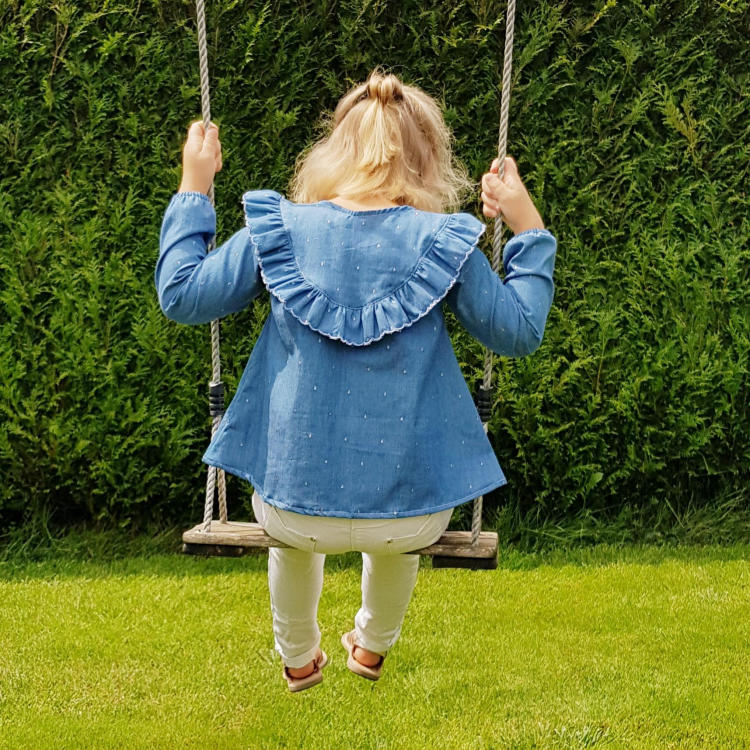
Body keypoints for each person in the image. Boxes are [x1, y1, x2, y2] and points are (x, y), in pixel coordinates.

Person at [155, 67, 556, 692]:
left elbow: (181, 294)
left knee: (289, 538)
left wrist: (195, 185)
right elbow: (521, 330)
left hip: (293, 505)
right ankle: (371, 646)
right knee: (402, 533)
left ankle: (298, 655)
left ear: (333, 149)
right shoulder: (443, 243)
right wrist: (526, 224)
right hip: (412, 515)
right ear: (428, 159)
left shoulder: (277, 230)